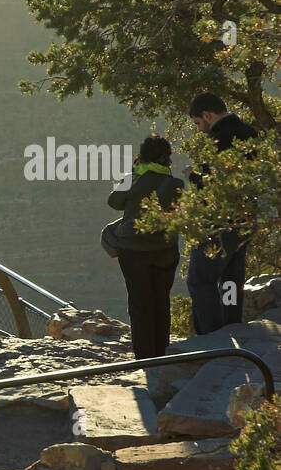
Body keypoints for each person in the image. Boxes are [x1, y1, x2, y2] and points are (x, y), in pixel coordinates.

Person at [183, 92, 258, 334]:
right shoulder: (250, 133)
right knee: (231, 280)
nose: (199, 129)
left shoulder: (219, 139)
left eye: (198, 123)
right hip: (245, 221)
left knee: (201, 279)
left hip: (219, 223)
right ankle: (231, 326)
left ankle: (212, 339)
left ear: (207, 115)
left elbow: (212, 185)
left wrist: (192, 177)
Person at [107, 136, 183, 359]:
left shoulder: (132, 179)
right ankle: (161, 353)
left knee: (139, 302)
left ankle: (144, 357)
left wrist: (132, 174)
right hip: (165, 250)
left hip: (133, 252)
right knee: (161, 299)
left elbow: (113, 202)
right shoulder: (175, 183)